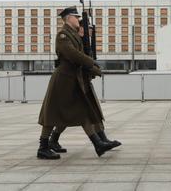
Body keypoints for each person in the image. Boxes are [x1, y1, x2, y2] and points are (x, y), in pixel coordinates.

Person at [37, 6, 116, 159]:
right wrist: (91, 63)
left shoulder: (73, 34)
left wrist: (92, 67)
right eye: (76, 17)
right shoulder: (63, 35)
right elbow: (73, 54)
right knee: (52, 114)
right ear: (68, 18)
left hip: (72, 78)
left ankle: (98, 143)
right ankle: (43, 147)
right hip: (63, 79)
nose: (78, 20)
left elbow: (80, 53)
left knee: (79, 112)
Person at [48, 24, 121, 154]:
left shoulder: (81, 43)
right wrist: (94, 68)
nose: (89, 34)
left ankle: (101, 140)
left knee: (88, 111)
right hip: (70, 81)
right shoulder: (70, 40)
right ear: (79, 29)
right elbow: (78, 61)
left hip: (81, 81)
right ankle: (98, 142)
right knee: (77, 113)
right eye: (86, 30)